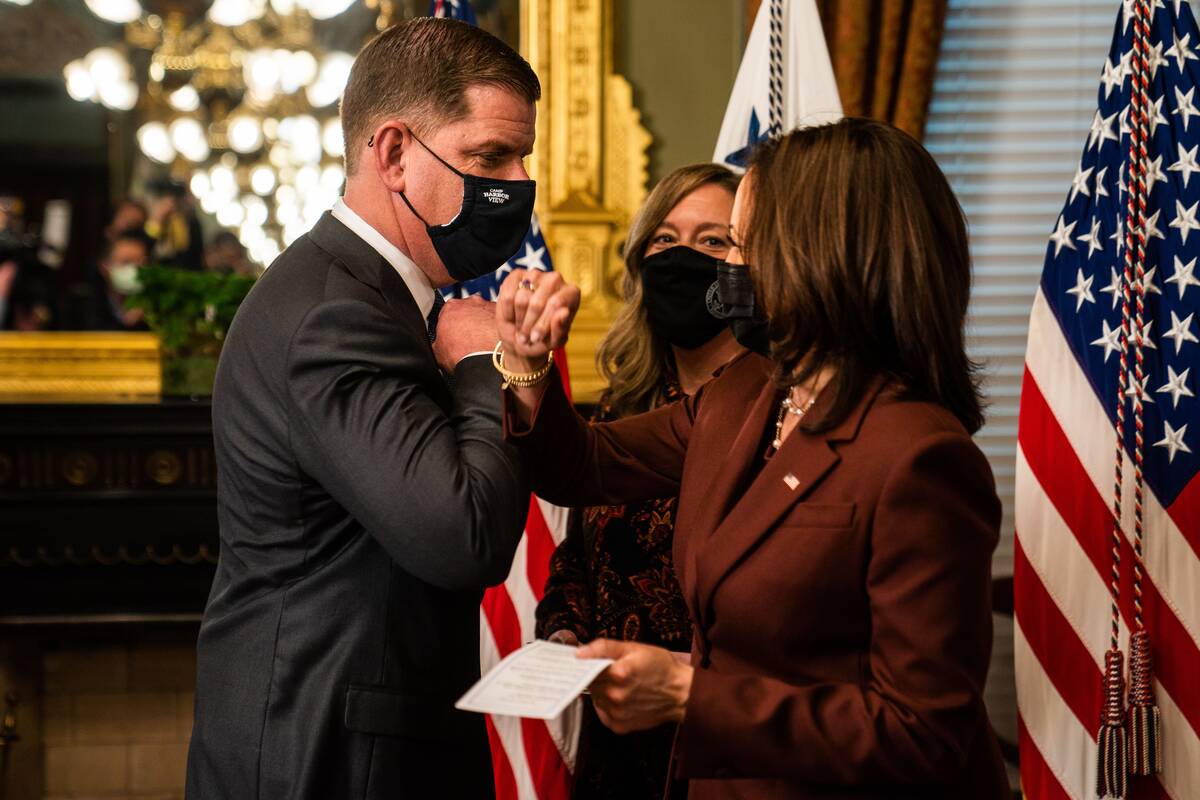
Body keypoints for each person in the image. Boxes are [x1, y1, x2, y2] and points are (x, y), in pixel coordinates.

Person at [494, 118, 1009, 799]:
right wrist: (529, 366)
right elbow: (581, 467)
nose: (725, 270)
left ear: (822, 254)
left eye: (738, 244)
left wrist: (689, 695)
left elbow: (924, 734)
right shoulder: (743, 393)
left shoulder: (920, 457)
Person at [186, 18, 548, 799]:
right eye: (489, 157)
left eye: (524, 159)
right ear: (392, 154)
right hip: (325, 754)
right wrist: (490, 362)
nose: (516, 185)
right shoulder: (337, 313)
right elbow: (464, 538)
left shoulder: (368, 294)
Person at [535, 162, 742, 799]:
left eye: (713, 241)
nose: (684, 258)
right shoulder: (612, 416)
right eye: (665, 240)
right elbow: (576, 559)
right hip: (617, 750)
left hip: (729, 739)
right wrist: (564, 632)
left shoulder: (780, 415)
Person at [72, 230, 149, 331]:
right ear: (105, 268)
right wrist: (126, 323)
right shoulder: (82, 307)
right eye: (126, 262)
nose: (136, 269)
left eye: (141, 263)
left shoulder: (157, 306)